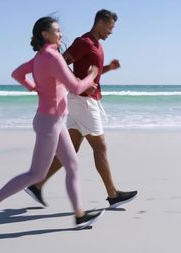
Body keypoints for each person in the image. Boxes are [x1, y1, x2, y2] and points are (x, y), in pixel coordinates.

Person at [0, 16, 104, 230]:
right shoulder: (53, 57)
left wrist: (32, 87)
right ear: (45, 34)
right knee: (36, 174)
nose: (61, 34)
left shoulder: (39, 57)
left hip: (53, 121)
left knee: (72, 165)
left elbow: (17, 73)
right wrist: (92, 75)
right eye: (58, 30)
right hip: (50, 124)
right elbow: (76, 87)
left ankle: (79, 215)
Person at [24, 9, 137, 208]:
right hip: (83, 101)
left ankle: (37, 185)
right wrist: (76, 80)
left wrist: (108, 68)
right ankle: (112, 194)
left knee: (71, 150)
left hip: (81, 101)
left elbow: (93, 72)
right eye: (110, 27)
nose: (111, 32)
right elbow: (62, 61)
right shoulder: (84, 42)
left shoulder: (96, 46)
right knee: (100, 147)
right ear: (100, 23)